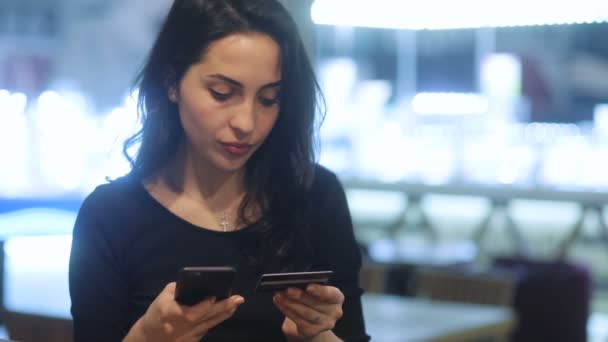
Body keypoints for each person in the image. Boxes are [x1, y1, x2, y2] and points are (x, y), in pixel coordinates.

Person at [68, 0, 369, 341]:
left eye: (269, 99)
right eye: (222, 93)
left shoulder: (315, 196)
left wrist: (315, 336)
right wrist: (149, 336)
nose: (246, 123)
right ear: (171, 81)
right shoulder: (111, 217)